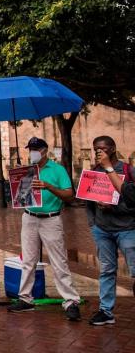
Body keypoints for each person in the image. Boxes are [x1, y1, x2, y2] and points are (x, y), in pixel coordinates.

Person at [5, 137, 81, 320]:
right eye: (30, 149)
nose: (32, 152)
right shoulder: (28, 170)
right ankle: (25, 298)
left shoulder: (57, 170)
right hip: (29, 217)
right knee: (28, 260)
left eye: (36, 149)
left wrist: (48, 187)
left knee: (59, 260)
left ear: (44, 151)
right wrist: (17, 181)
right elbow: (21, 196)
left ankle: (70, 301)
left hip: (51, 219)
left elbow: (69, 196)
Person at [85, 136, 135, 326]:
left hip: (127, 229)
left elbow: (132, 200)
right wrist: (93, 224)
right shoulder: (93, 172)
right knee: (106, 270)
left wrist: (113, 206)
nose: (99, 152)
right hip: (102, 229)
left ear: (113, 149)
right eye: (95, 149)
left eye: (103, 148)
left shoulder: (128, 171)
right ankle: (105, 311)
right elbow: (87, 201)